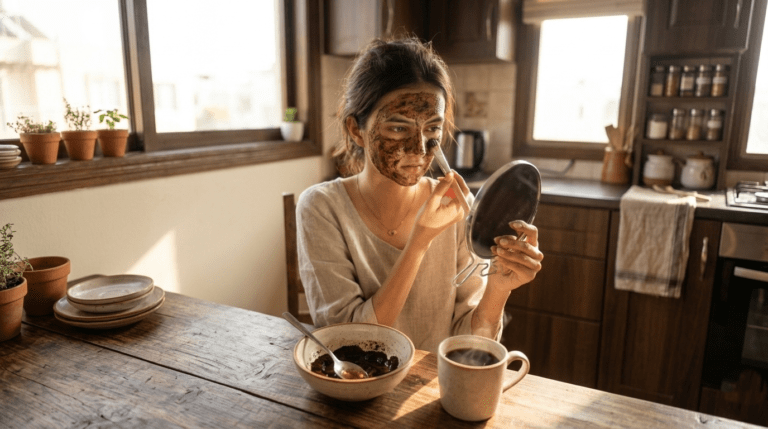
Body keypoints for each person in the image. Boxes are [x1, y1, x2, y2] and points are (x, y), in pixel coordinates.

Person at [296, 37, 543, 353]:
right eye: (398, 129)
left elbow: (468, 346)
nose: (419, 149)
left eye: (432, 130)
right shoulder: (321, 207)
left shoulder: (456, 210)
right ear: (357, 129)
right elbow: (347, 342)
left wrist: (498, 288)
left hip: (430, 388)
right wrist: (419, 243)